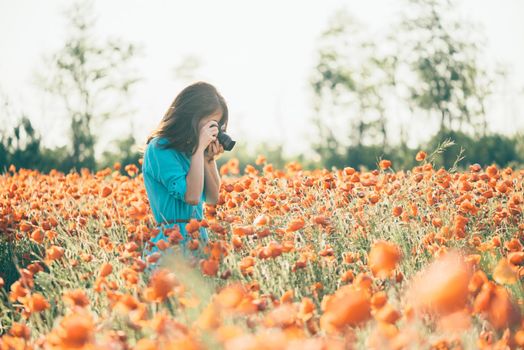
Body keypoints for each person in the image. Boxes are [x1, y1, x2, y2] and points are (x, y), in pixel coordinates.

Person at [139, 81, 227, 261]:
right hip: (170, 243)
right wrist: (199, 150)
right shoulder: (159, 148)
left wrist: (208, 159)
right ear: (191, 116)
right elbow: (192, 197)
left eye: (217, 124)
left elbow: (212, 198)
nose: (214, 130)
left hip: (198, 241)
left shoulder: (192, 150)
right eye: (210, 123)